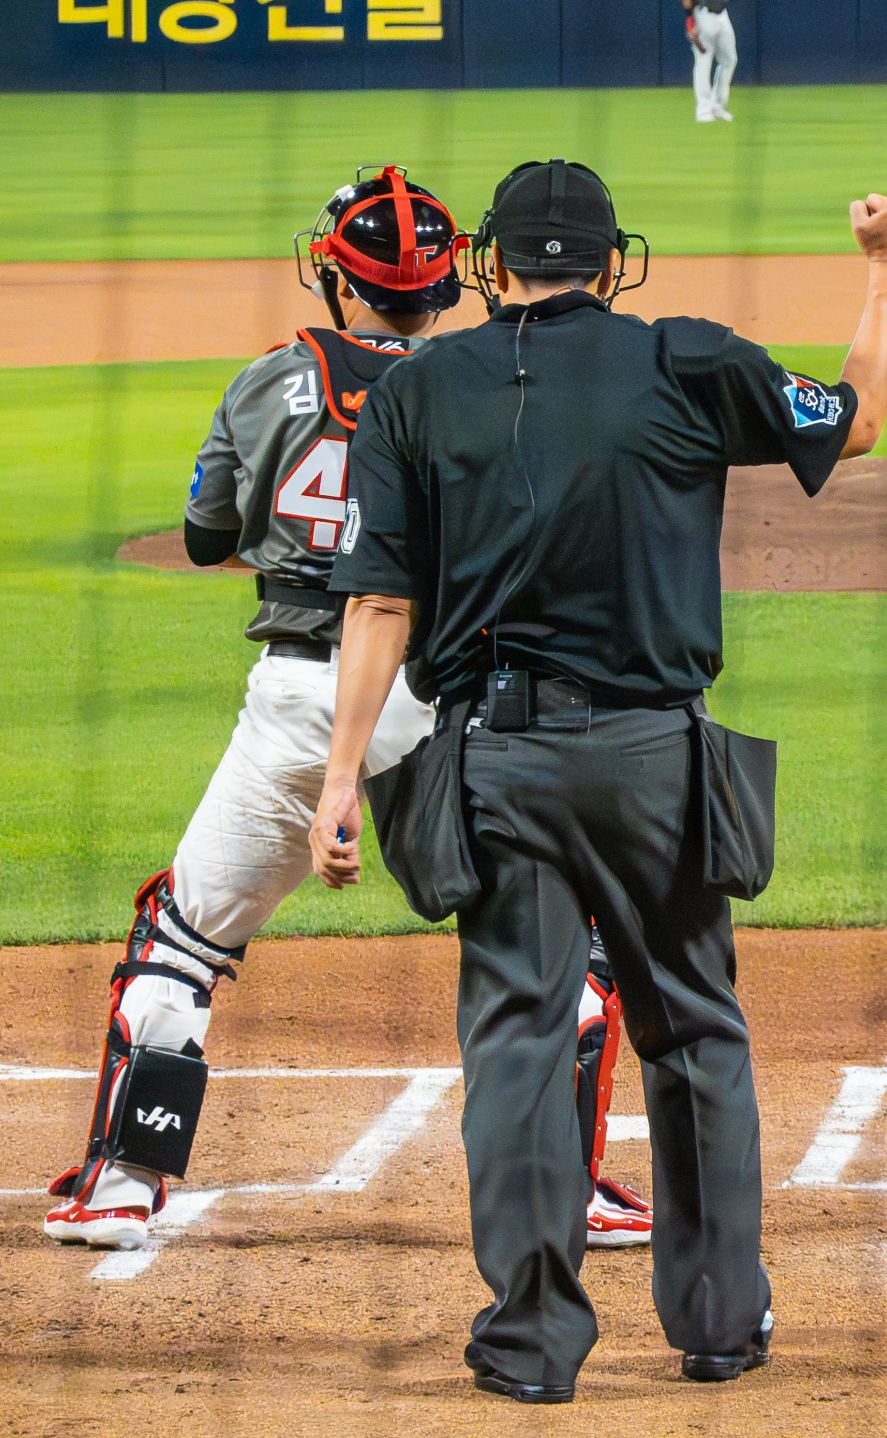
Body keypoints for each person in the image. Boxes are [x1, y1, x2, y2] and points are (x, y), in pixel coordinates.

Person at [310, 163, 887, 1401]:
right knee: (692, 1029)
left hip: (500, 765)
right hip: (653, 765)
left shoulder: (416, 390)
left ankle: (531, 1346)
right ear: (609, 263)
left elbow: (376, 603)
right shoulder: (687, 359)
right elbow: (853, 419)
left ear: (493, 264)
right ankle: (719, 1324)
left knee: (518, 1045)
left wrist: (337, 781)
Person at [39, 169, 656, 1260]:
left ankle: (120, 1184)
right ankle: (564, 1190)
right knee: (562, 941)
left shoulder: (266, 380)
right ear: (450, 284)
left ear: (335, 276)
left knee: (184, 933)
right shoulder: (489, 381)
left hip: (294, 698)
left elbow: (204, 535)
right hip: (439, 697)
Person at [677, 0, 751, 123]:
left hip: (722, 16)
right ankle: (703, 109)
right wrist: (690, 23)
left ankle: (717, 105)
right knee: (704, 61)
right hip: (702, 15)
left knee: (729, 59)